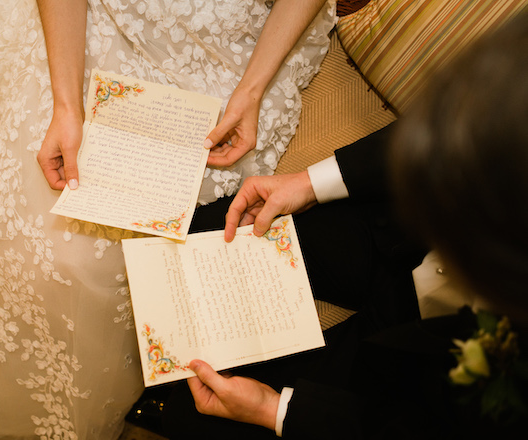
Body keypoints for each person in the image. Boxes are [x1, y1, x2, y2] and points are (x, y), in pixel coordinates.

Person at [0, 1, 337, 438]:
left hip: (237, 52)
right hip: (100, 21)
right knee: (12, 232)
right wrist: (66, 106)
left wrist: (252, 91)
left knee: (95, 261)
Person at [162, 10, 528, 439]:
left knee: (202, 412)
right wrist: (308, 183)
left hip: (429, 362)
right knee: (203, 232)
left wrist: (274, 410)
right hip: (395, 235)